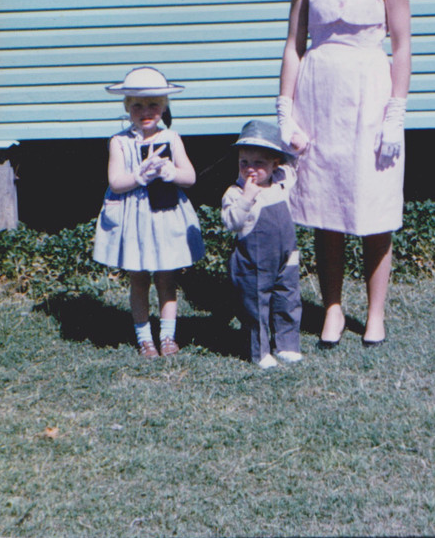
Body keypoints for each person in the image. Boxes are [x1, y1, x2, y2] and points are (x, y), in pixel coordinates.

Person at [276, 0, 411, 349]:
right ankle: (332, 309)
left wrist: (395, 114)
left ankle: (374, 314)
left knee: (374, 207)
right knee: (324, 207)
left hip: (370, 95)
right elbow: (294, 46)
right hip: (318, 96)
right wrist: (284, 111)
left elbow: (401, 47)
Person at [93, 66, 205, 358]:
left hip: (165, 214)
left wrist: (170, 172)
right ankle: (145, 339)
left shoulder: (172, 138)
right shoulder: (119, 142)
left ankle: (167, 336)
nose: (146, 111)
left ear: (164, 107)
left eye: (153, 104)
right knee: (139, 278)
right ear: (127, 108)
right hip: (134, 217)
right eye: (137, 106)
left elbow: (190, 177)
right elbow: (116, 182)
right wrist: (139, 176)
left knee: (167, 277)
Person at [221, 120, 302, 369]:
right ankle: (259, 351)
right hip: (253, 262)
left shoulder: (280, 182)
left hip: (285, 257)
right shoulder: (235, 192)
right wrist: (247, 198)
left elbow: (294, 165)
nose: (250, 169)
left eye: (259, 163)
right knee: (255, 305)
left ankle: (287, 344)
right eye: (244, 162)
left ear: (274, 164)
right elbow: (232, 222)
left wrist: (295, 148)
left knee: (288, 299)